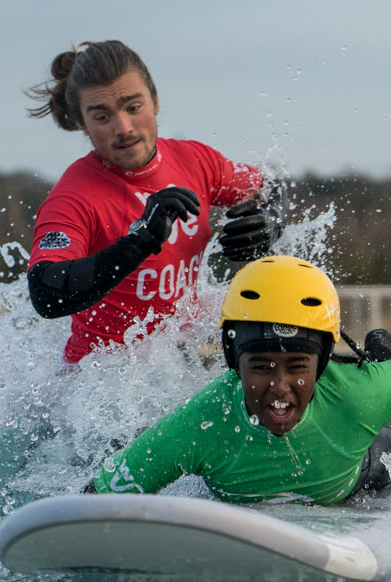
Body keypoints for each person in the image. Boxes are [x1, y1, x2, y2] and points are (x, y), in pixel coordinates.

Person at [84, 256, 391, 504]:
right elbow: (93, 499)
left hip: (360, 474)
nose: (279, 387)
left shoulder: (358, 396)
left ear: (324, 362)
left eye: (297, 367)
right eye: (261, 366)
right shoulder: (200, 424)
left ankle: (383, 360)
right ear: (232, 359)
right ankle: (381, 360)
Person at [24, 40, 280, 365]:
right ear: (81, 123)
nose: (124, 128)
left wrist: (271, 224)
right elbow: (44, 296)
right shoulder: (73, 197)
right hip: (100, 382)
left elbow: (270, 187)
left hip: (178, 363)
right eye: (102, 117)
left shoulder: (195, 161)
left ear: (155, 101)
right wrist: (138, 243)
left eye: (133, 107)